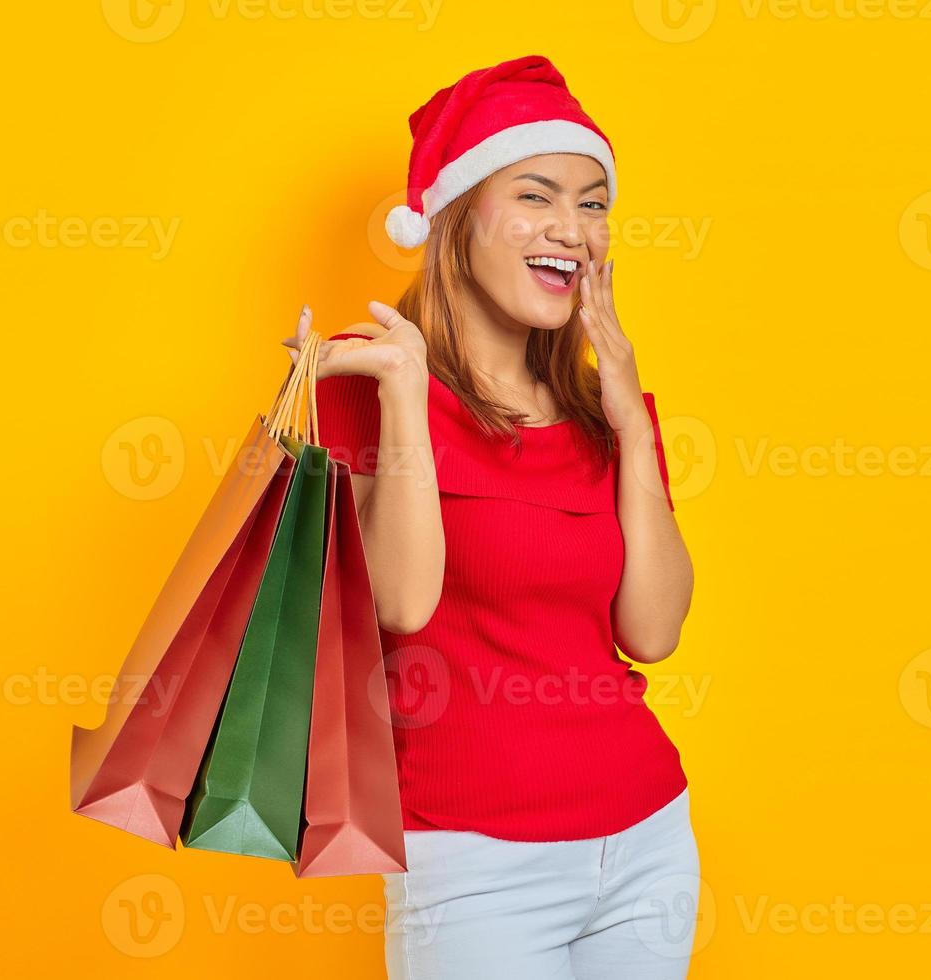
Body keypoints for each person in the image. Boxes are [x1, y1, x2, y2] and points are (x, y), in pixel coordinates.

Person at [280, 54, 700, 980]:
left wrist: (629, 415)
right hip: (473, 861)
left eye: (592, 203)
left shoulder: (609, 411)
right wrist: (403, 396)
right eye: (537, 196)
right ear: (455, 219)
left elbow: (655, 629)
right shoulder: (367, 380)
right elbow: (401, 604)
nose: (571, 229)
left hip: (647, 841)